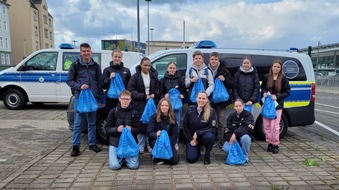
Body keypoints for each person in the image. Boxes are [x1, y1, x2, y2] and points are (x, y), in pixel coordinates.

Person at [66, 43, 102, 157]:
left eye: (88, 51)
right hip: (80, 98)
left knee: (92, 122)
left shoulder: (96, 66)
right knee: (78, 123)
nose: (86, 53)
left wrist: (100, 98)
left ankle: (92, 143)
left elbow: (99, 83)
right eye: (84, 51)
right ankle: (75, 146)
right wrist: (79, 86)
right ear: (80, 52)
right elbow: (69, 81)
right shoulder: (75, 65)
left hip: (93, 98)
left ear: (91, 52)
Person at [127, 57, 159, 154]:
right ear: (141, 65)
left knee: (151, 124)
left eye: (149, 65)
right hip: (139, 104)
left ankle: (149, 145)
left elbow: (158, 88)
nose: (147, 67)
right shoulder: (135, 77)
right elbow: (131, 90)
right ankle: (140, 145)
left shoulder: (153, 76)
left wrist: (154, 94)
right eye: (145, 65)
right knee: (140, 124)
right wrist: (143, 96)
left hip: (151, 103)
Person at [105, 90, 140, 170]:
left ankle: (124, 158)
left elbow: (138, 129)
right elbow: (107, 129)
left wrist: (131, 129)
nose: (125, 101)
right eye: (123, 98)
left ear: (130, 100)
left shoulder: (134, 112)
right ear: (119, 99)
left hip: (130, 144)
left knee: (134, 166)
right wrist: (117, 129)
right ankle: (121, 158)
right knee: (114, 166)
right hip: (115, 143)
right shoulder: (113, 111)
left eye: (127, 99)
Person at [261, 59, 290, 154]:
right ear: (271, 67)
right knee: (267, 126)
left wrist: (277, 97)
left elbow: (287, 92)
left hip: (277, 105)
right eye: (274, 66)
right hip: (267, 105)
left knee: (275, 126)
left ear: (280, 68)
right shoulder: (266, 77)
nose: (276, 68)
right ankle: (269, 142)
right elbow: (263, 88)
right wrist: (264, 93)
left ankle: (275, 144)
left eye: (278, 67)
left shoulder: (283, 78)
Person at [207, 52, 234, 150]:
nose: (214, 61)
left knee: (221, 122)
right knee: (210, 121)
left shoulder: (224, 71)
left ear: (218, 60)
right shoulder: (206, 70)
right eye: (212, 59)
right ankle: (210, 139)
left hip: (221, 102)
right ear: (209, 60)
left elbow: (232, 84)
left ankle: (220, 140)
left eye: (216, 59)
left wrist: (225, 79)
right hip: (210, 101)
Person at [183, 91, 217, 165]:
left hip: (204, 137)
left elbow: (212, 128)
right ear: (196, 99)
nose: (201, 100)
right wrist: (190, 139)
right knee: (190, 159)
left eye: (203, 98)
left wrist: (198, 132)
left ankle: (207, 157)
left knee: (210, 136)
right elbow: (185, 126)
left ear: (207, 100)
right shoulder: (190, 110)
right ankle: (197, 150)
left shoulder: (212, 111)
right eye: (199, 98)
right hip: (192, 139)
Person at [159, 61, 186, 150]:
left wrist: (182, 96)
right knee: (166, 125)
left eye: (173, 68)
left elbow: (184, 92)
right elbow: (160, 93)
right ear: (167, 69)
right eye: (170, 68)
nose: (172, 69)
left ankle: (175, 142)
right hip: (165, 108)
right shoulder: (163, 80)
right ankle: (166, 141)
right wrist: (164, 96)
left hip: (177, 108)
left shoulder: (180, 80)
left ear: (176, 69)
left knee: (176, 125)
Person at [147, 97, 180, 165]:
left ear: (169, 107)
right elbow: (149, 132)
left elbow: (175, 134)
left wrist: (168, 144)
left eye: (166, 105)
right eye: (162, 105)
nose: (164, 107)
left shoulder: (173, 118)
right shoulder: (153, 117)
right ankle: (158, 156)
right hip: (156, 141)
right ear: (159, 106)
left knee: (174, 161)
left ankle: (160, 158)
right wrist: (156, 134)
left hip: (169, 142)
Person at [102, 49, 131, 116]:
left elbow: (129, 86)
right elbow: (103, 85)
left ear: (121, 58)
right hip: (111, 100)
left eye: (119, 57)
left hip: (123, 100)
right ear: (112, 57)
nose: (117, 59)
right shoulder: (107, 70)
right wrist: (109, 78)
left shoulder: (126, 70)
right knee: (111, 118)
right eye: (115, 57)